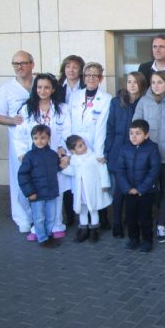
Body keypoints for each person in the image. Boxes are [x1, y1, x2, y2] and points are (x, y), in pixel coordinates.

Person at [13, 73, 71, 240]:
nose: (43, 90)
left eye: (46, 87)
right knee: (35, 192)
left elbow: (68, 131)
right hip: (34, 158)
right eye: (39, 87)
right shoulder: (26, 109)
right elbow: (20, 134)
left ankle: (57, 224)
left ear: (53, 89)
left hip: (54, 157)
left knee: (55, 190)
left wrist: (65, 152)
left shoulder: (62, 108)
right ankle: (36, 226)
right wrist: (23, 154)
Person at [0, 50, 34, 233]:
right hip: (19, 142)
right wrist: (13, 120)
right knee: (20, 178)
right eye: (15, 63)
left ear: (32, 64)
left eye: (23, 63)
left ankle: (40, 215)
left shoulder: (40, 84)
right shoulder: (6, 88)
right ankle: (22, 218)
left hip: (42, 140)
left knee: (40, 177)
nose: (19, 67)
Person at [133, 71, 165, 243]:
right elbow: (136, 123)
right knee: (150, 189)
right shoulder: (144, 101)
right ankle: (146, 221)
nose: (156, 86)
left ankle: (161, 223)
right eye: (153, 82)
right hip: (148, 155)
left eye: (160, 82)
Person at [69, 62, 112, 228]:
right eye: (88, 75)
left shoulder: (106, 99)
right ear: (83, 78)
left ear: (100, 78)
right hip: (76, 149)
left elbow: (101, 128)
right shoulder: (75, 96)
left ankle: (101, 220)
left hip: (94, 148)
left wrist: (99, 152)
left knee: (96, 185)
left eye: (95, 75)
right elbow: (70, 122)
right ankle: (83, 222)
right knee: (80, 186)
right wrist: (70, 149)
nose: (91, 78)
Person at [105, 71, 147, 238]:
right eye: (129, 81)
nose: (131, 85)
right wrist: (108, 150)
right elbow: (110, 127)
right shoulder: (116, 102)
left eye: (135, 82)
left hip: (137, 152)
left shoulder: (144, 102)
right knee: (118, 190)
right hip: (117, 151)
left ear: (141, 84)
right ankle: (117, 223)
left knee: (133, 189)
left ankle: (132, 222)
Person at [17, 125, 66, 249]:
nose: (39, 141)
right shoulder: (29, 156)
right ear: (32, 139)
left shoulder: (52, 154)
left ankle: (48, 235)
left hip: (51, 193)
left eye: (43, 138)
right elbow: (23, 175)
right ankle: (42, 238)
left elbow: (55, 168)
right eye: (36, 138)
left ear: (48, 138)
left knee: (51, 217)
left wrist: (63, 165)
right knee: (39, 218)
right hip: (36, 194)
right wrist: (30, 192)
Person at [117, 119, 161, 253]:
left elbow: (154, 171)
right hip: (129, 191)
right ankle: (133, 239)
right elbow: (120, 169)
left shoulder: (152, 148)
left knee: (145, 218)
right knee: (130, 217)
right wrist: (127, 188)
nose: (134, 137)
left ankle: (147, 241)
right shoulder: (125, 148)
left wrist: (141, 188)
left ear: (146, 135)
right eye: (131, 133)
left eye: (138, 133)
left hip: (145, 192)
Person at [62, 135, 113, 243]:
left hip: (92, 189)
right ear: (73, 150)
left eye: (83, 144)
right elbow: (73, 172)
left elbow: (102, 169)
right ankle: (83, 230)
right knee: (82, 211)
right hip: (80, 191)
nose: (84, 147)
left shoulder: (94, 156)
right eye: (80, 146)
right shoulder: (74, 160)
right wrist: (64, 168)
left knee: (93, 210)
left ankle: (94, 230)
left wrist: (104, 184)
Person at [56, 54, 86, 228]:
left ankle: (84, 213)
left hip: (81, 138)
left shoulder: (86, 86)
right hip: (63, 137)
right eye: (68, 66)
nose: (71, 70)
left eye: (75, 67)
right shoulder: (58, 88)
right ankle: (69, 215)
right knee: (65, 178)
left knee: (81, 177)